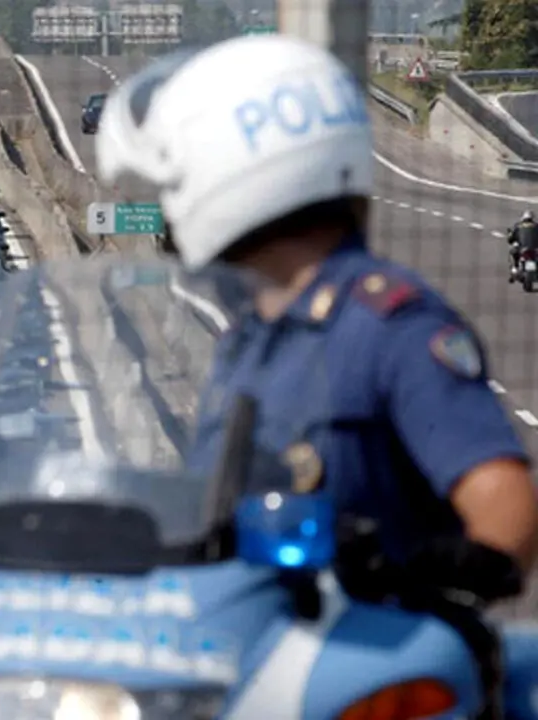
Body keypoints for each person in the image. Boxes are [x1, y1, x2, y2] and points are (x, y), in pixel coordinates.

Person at [95, 36, 538, 590]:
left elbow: (507, 505)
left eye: (174, 181)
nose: (166, 205)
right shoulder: (249, 336)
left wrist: (417, 583)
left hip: (359, 657)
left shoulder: (390, 327)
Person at [507, 210, 538, 282]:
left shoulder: (518, 226)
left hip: (524, 249)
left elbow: (510, 238)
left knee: (513, 251)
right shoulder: (536, 225)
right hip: (533, 249)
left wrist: (510, 238)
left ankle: (515, 268)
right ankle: (515, 268)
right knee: (513, 251)